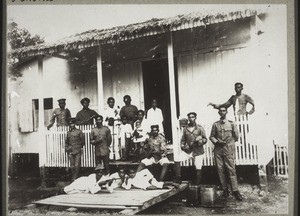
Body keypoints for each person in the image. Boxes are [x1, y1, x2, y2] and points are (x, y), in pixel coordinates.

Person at [209, 106, 243, 201]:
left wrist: (229, 143)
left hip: (228, 149)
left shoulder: (232, 124)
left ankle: (235, 190)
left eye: (224, 110)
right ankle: (225, 189)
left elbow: (236, 136)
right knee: (220, 169)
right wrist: (217, 141)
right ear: (218, 113)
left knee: (231, 169)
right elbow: (211, 137)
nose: (222, 112)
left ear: (226, 112)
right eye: (220, 111)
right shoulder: (215, 125)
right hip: (218, 150)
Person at [177, 112, 207, 185]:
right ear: (188, 118)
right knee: (177, 159)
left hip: (198, 151)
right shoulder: (185, 128)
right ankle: (178, 179)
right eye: (190, 117)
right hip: (188, 151)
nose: (191, 119)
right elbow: (183, 140)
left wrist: (200, 141)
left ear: (195, 118)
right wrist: (183, 147)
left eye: (193, 117)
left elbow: (205, 139)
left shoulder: (200, 128)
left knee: (198, 167)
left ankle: (197, 186)